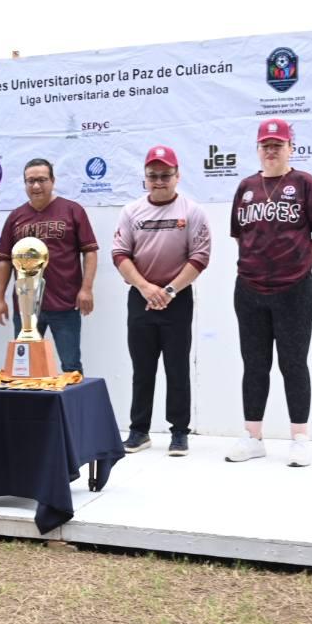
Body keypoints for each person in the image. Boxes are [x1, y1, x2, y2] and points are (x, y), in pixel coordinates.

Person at [224, 118, 312, 467]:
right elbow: (241, 236)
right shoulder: (245, 187)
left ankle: (300, 437)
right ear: (258, 149)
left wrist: (304, 267)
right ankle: (253, 436)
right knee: (254, 365)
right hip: (250, 289)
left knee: (293, 363)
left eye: (278, 144)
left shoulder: (304, 183)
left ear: (291, 147)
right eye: (265, 145)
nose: (271, 150)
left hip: (295, 291)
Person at [112, 145, 211, 455]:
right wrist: (145, 288)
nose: (159, 181)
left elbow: (200, 256)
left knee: (177, 367)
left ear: (177, 176)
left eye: (165, 175)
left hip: (177, 301)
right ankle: (139, 430)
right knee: (142, 368)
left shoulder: (192, 211)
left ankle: (179, 432)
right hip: (140, 298)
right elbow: (120, 254)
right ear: (145, 178)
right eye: (153, 176)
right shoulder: (131, 212)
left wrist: (168, 291)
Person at [0, 159, 98, 373]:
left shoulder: (72, 210)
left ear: (53, 181)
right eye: (30, 181)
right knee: (25, 369)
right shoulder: (15, 217)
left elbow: (90, 252)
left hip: (65, 303)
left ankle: (71, 407)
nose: (36, 186)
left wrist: (86, 289)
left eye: (41, 180)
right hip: (25, 307)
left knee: (71, 366)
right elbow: (4, 260)